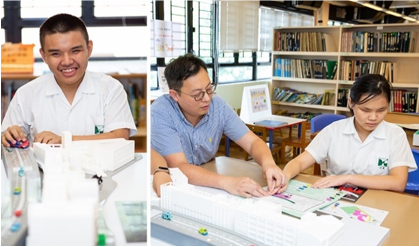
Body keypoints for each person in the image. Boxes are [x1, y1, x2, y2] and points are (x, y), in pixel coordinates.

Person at [151, 53, 285, 198]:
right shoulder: (161, 112)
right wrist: (228, 183)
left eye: (209, 89)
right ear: (175, 95)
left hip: (206, 182)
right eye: (198, 95)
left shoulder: (218, 106)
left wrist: (269, 163)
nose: (207, 98)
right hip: (172, 186)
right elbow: (180, 167)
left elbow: (252, 142)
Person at [1, 13, 136, 146]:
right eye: (56, 54)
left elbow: (121, 138)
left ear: (89, 49)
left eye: (75, 51)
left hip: (100, 168)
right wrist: (9, 137)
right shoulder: (26, 94)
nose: (67, 62)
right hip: (44, 168)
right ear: (43, 56)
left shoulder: (110, 88)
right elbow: (6, 140)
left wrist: (64, 141)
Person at [281, 74, 417, 192]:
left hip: (378, 200)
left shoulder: (396, 135)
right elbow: (299, 162)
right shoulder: (334, 130)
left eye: (381, 110)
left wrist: (347, 178)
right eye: (366, 110)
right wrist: (285, 176)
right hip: (335, 197)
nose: (374, 117)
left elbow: (398, 183)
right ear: (351, 103)